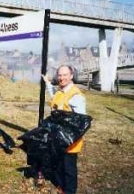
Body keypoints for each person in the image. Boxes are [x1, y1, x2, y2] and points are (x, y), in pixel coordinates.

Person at [42, 65, 86, 194]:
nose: (62, 78)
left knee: (69, 169)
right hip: (58, 139)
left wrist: (69, 137)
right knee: (59, 165)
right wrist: (48, 83)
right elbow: (54, 97)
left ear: (71, 76)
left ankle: (70, 191)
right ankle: (61, 188)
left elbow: (81, 122)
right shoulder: (60, 92)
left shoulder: (76, 95)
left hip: (70, 141)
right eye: (60, 75)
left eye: (65, 75)